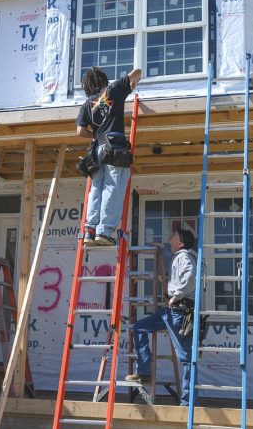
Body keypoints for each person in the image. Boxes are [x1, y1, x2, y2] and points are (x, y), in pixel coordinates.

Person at [126, 227, 197, 406]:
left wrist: (176, 294)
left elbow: (190, 277)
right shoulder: (177, 256)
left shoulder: (184, 257)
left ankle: (188, 401)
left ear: (180, 243)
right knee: (139, 327)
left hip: (180, 312)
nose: (169, 237)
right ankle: (144, 371)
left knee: (186, 357)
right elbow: (169, 254)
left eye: (173, 236)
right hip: (171, 311)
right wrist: (161, 247)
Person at [76, 66, 142, 246]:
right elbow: (137, 72)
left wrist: (96, 136)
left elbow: (80, 131)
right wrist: (137, 76)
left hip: (97, 149)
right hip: (115, 147)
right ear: (102, 80)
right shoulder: (112, 91)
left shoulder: (86, 104)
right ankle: (104, 231)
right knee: (113, 186)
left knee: (96, 188)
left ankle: (90, 230)